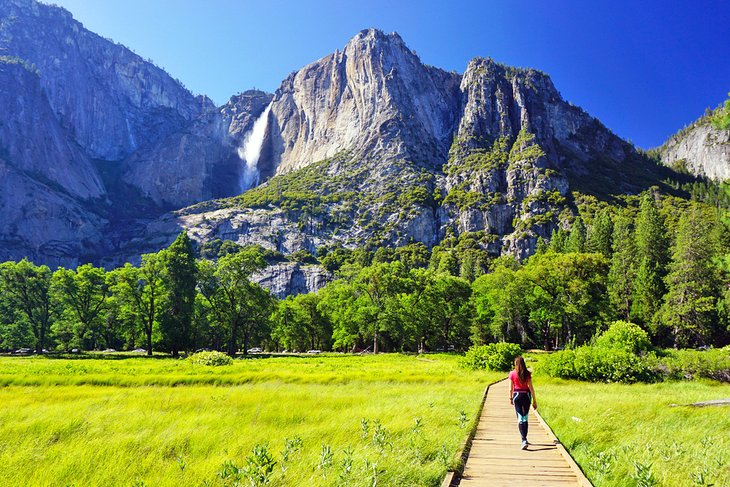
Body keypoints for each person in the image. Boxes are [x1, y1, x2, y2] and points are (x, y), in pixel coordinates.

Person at [509, 355, 537, 450]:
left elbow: (510, 389)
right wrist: (534, 401)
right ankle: (525, 439)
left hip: (516, 396)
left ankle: (523, 440)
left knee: (520, 418)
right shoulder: (527, 374)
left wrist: (510, 398)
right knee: (525, 418)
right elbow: (531, 388)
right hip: (526, 396)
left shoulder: (512, 374)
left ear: (515, 364)